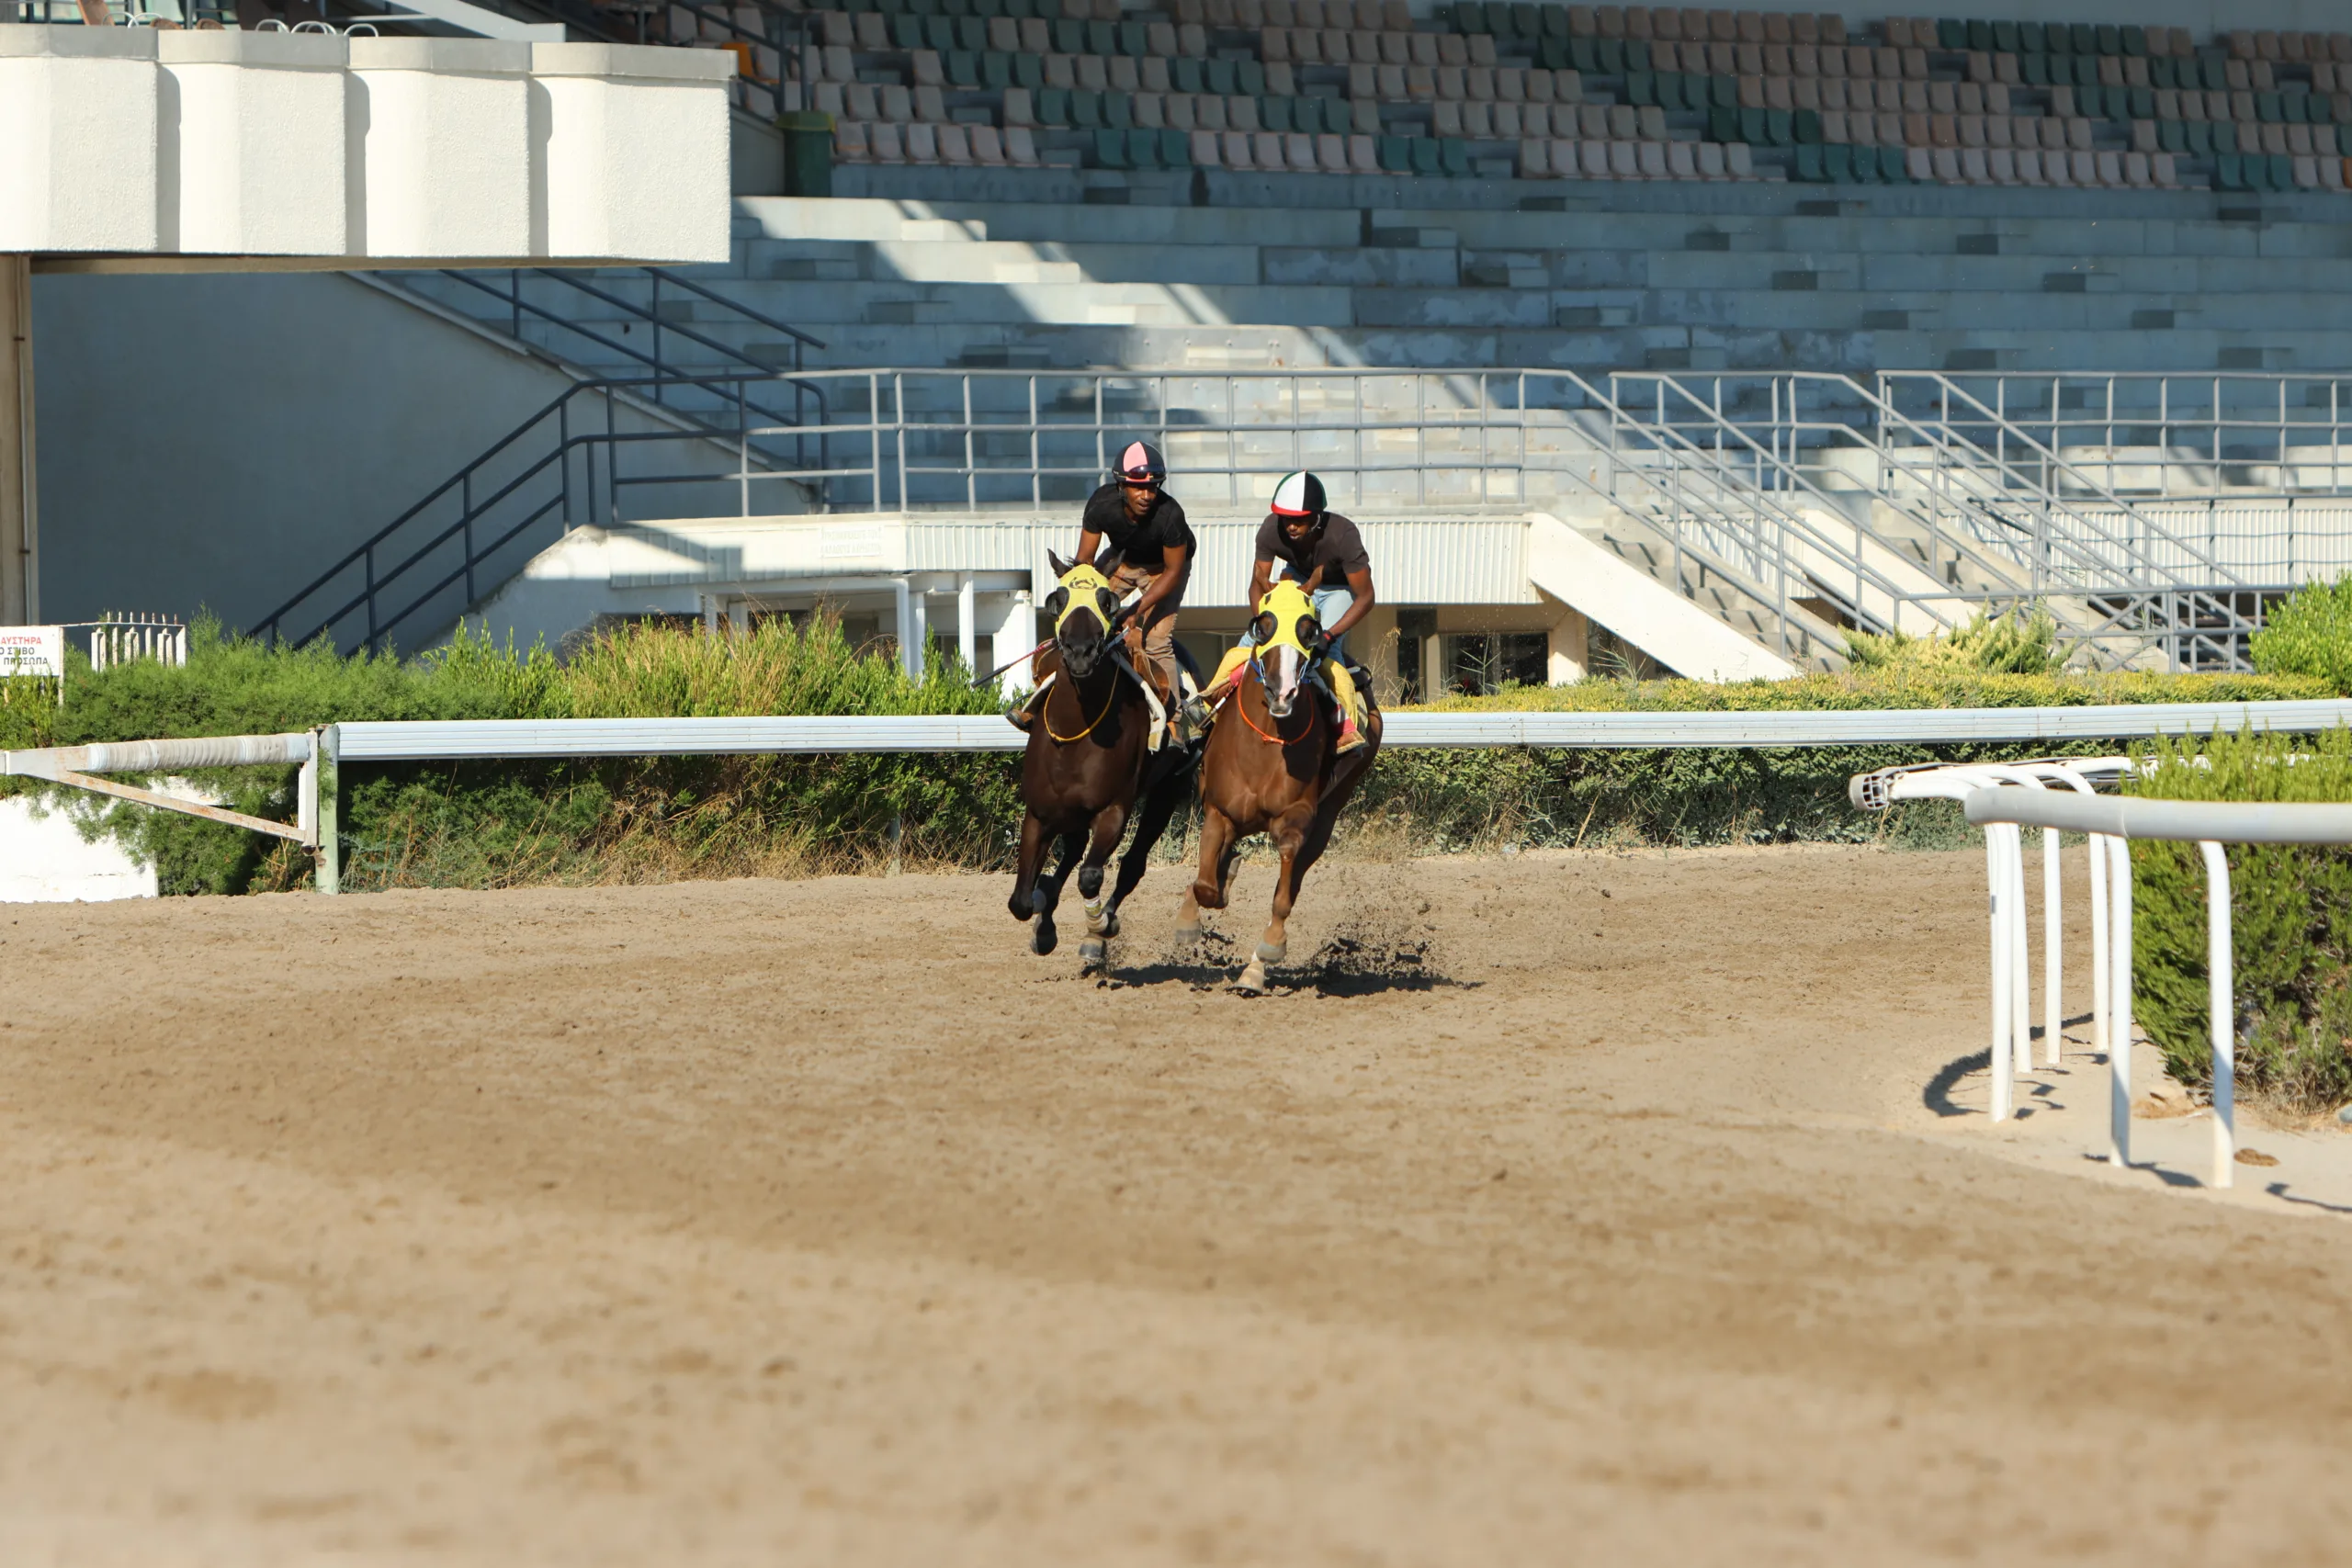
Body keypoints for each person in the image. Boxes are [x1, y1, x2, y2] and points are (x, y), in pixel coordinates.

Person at [1009, 439, 1195, 745]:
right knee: (1081, 622)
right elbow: (1084, 563)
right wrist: (1079, 599)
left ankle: (1173, 724)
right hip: (1121, 562)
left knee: (1155, 641)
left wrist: (1135, 610)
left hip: (1164, 571)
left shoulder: (1171, 514)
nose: (1147, 495)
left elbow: (1173, 572)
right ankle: (1036, 704)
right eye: (1138, 488)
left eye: (1153, 488)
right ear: (1121, 485)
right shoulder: (1100, 504)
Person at [1203, 470, 1374, 753]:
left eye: (1299, 520)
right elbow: (1256, 585)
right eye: (1286, 518)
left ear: (1316, 517)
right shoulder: (1271, 528)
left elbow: (1366, 597)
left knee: (1322, 655)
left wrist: (1328, 636)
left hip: (1339, 589)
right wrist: (1265, 625)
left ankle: (1344, 729)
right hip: (1296, 579)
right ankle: (1208, 708)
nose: (1291, 526)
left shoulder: (1344, 535)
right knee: (1247, 645)